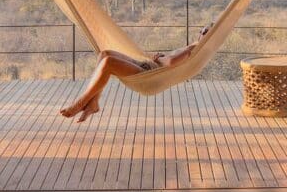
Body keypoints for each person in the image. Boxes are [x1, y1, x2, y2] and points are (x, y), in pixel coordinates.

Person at [60, 26, 211, 123]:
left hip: (149, 74)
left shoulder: (193, 50)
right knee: (104, 53)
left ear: (208, 37)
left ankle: (80, 104)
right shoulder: (193, 46)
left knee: (108, 63)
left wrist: (159, 58)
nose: (201, 32)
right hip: (146, 65)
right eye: (202, 30)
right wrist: (158, 58)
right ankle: (93, 103)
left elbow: (170, 63)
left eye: (205, 32)